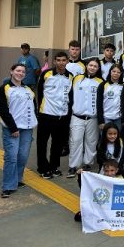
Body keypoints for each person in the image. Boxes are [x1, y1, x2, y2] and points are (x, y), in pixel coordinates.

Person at [0, 63, 38, 197]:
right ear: (11, 71)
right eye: (18, 71)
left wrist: (34, 120)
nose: (20, 73)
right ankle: (8, 186)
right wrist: (13, 128)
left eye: (23, 72)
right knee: (11, 157)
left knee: (23, 156)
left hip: (27, 129)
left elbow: (34, 106)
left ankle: (18, 179)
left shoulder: (28, 89)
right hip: (11, 129)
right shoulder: (4, 88)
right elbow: (3, 110)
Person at [36, 51, 73, 179]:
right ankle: (42, 168)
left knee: (57, 143)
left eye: (63, 60)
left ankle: (54, 166)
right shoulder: (46, 74)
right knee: (42, 143)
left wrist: (68, 114)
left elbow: (70, 96)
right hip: (46, 114)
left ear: (67, 61)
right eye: (58, 60)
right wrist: (39, 111)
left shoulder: (70, 76)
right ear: (54, 61)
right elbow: (39, 92)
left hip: (62, 116)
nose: (61, 63)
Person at [68, 58, 103, 177]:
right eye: (90, 65)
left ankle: (88, 163)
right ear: (86, 66)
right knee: (75, 141)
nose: (92, 68)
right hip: (77, 116)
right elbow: (70, 95)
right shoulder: (77, 79)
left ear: (98, 68)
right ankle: (73, 165)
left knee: (91, 142)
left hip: (93, 118)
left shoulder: (100, 82)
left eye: (95, 66)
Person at [97, 63, 124, 131]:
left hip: (119, 118)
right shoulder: (103, 85)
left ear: (121, 74)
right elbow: (99, 104)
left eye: (118, 72)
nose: (116, 73)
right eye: (114, 71)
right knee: (105, 137)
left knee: (117, 136)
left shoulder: (123, 85)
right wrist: (101, 121)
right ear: (110, 72)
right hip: (106, 117)